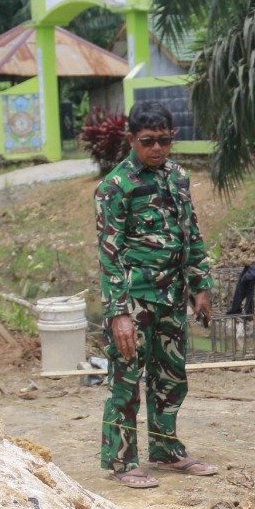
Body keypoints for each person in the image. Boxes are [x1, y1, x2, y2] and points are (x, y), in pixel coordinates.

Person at [94, 101, 216, 488]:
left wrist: (200, 285)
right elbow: (109, 255)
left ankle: (166, 451)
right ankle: (122, 461)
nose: (157, 149)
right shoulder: (115, 186)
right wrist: (118, 314)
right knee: (126, 380)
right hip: (134, 300)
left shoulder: (177, 177)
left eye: (165, 140)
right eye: (148, 141)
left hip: (171, 296)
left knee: (171, 377)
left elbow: (190, 234)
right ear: (131, 139)